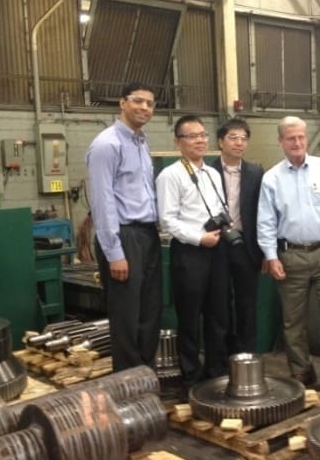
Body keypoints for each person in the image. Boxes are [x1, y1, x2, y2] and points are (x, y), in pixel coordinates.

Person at [257, 115, 320, 399]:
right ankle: (301, 371)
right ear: (281, 142)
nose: (297, 142)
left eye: (301, 137)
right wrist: (271, 256)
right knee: (293, 320)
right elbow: (265, 222)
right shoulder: (271, 178)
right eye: (291, 138)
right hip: (292, 257)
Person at [86, 81, 162, 372]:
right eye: (138, 101)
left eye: (150, 103)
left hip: (147, 234)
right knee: (127, 317)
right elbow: (102, 201)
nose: (144, 107)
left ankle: (146, 377)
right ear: (122, 103)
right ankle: (129, 385)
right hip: (124, 236)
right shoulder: (107, 145)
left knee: (149, 313)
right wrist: (114, 252)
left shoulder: (141, 143)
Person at [156, 115, 231, 391]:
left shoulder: (212, 173)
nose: (200, 140)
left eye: (203, 135)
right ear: (178, 142)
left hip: (217, 250)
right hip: (189, 253)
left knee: (218, 314)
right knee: (189, 317)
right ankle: (190, 376)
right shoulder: (170, 175)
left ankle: (217, 370)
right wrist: (200, 239)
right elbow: (168, 221)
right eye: (192, 136)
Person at [210, 119, 264, 354]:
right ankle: (222, 357)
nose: (239, 143)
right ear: (220, 142)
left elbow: (262, 213)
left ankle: (246, 354)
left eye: (243, 138)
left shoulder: (255, 172)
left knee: (247, 303)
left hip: (245, 245)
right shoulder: (207, 170)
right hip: (215, 244)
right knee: (219, 303)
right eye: (233, 137)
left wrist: (263, 252)